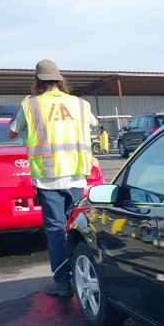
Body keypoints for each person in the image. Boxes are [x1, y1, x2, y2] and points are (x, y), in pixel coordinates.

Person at [8, 59, 98, 297]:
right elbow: (94, 125)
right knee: (76, 226)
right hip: (77, 175)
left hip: (48, 177)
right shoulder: (80, 104)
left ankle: (62, 282)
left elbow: (12, 131)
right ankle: (82, 274)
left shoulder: (31, 105)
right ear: (60, 80)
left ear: (37, 81)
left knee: (55, 229)